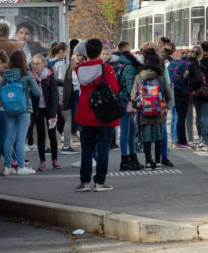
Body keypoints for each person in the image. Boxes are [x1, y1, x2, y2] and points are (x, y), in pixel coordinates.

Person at [74, 38, 120, 192]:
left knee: (86, 147)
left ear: (86, 52)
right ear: (101, 52)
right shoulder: (105, 68)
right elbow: (115, 88)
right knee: (103, 148)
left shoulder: (79, 69)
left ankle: (84, 181)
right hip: (103, 111)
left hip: (85, 109)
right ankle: (100, 182)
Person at [129, 50, 172, 169]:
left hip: (144, 113)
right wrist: (164, 104)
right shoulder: (160, 77)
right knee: (158, 137)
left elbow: (133, 96)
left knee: (146, 138)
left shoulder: (138, 77)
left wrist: (137, 105)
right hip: (159, 113)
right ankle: (158, 162)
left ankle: (148, 161)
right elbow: (168, 94)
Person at [0, 50, 40, 174]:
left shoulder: (6, 74)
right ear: (23, 60)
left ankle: (8, 167)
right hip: (24, 108)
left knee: (9, 137)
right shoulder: (27, 74)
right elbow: (37, 92)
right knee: (21, 138)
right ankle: (21, 167)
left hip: (9, 109)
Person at [111, 42, 141, 171]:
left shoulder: (120, 64)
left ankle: (132, 158)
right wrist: (133, 102)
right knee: (125, 130)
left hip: (121, 98)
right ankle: (125, 160)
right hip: (125, 100)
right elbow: (130, 89)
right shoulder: (130, 67)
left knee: (132, 128)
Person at [30, 54, 60, 170]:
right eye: (33, 63)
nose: (35, 66)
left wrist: (53, 114)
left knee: (52, 134)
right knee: (41, 135)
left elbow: (54, 95)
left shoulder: (49, 75)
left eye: (37, 64)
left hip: (49, 108)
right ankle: (42, 161)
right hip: (37, 108)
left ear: (43, 64)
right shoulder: (31, 76)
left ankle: (55, 159)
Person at [48, 42, 75, 154]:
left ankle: (48, 144)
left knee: (52, 118)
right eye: (66, 52)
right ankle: (66, 145)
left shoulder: (49, 62)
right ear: (61, 51)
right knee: (68, 118)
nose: (66, 55)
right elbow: (62, 81)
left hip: (50, 94)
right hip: (60, 94)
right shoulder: (60, 64)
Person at [189, 45, 208, 145]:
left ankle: (200, 136)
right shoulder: (206, 65)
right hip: (205, 94)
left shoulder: (189, 64)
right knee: (206, 116)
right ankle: (203, 138)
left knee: (198, 115)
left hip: (195, 94)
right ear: (201, 54)